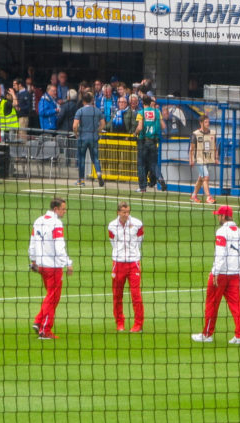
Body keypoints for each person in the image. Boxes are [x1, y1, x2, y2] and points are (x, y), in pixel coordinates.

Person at [191, 205, 240, 345]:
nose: (218, 217)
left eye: (219, 215)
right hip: (235, 274)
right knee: (237, 306)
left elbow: (220, 254)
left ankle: (207, 334)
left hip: (221, 274)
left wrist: (215, 272)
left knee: (212, 304)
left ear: (223, 216)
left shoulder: (222, 231)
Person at [29, 197, 74, 340]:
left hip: (41, 265)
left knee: (49, 295)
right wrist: (68, 262)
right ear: (56, 209)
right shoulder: (56, 223)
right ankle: (45, 330)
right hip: (53, 266)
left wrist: (34, 260)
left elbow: (32, 243)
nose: (64, 212)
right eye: (63, 209)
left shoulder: (38, 220)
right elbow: (59, 246)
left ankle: (38, 321)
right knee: (53, 298)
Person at [108, 202, 145, 333]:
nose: (126, 214)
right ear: (118, 212)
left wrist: (133, 253)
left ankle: (138, 324)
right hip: (118, 264)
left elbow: (140, 239)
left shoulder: (137, 223)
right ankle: (120, 323)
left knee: (136, 294)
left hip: (133, 263)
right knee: (117, 295)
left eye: (128, 211)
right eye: (124, 212)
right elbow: (113, 242)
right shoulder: (111, 225)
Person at [134, 95, 167, 193]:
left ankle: (142, 187)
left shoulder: (141, 113)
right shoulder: (157, 112)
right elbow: (163, 126)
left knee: (141, 165)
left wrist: (134, 133)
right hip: (153, 141)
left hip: (143, 141)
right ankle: (160, 178)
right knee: (153, 164)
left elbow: (140, 127)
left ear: (142, 103)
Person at [73, 92, 105, 187]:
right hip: (94, 137)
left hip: (83, 137)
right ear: (92, 100)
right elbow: (103, 124)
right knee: (95, 158)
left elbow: (75, 126)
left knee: (82, 159)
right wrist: (97, 130)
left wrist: (76, 134)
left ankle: (81, 180)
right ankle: (98, 172)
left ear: (83, 101)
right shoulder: (97, 111)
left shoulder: (80, 111)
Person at [189, 115, 218, 204]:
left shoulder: (213, 133)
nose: (207, 123)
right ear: (201, 123)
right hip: (199, 159)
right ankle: (208, 197)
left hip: (209, 159)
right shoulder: (196, 134)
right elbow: (192, 149)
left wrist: (216, 158)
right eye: (205, 122)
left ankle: (193, 196)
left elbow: (215, 147)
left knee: (201, 178)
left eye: (208, 122)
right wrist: (191, 160)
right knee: (206, 177)